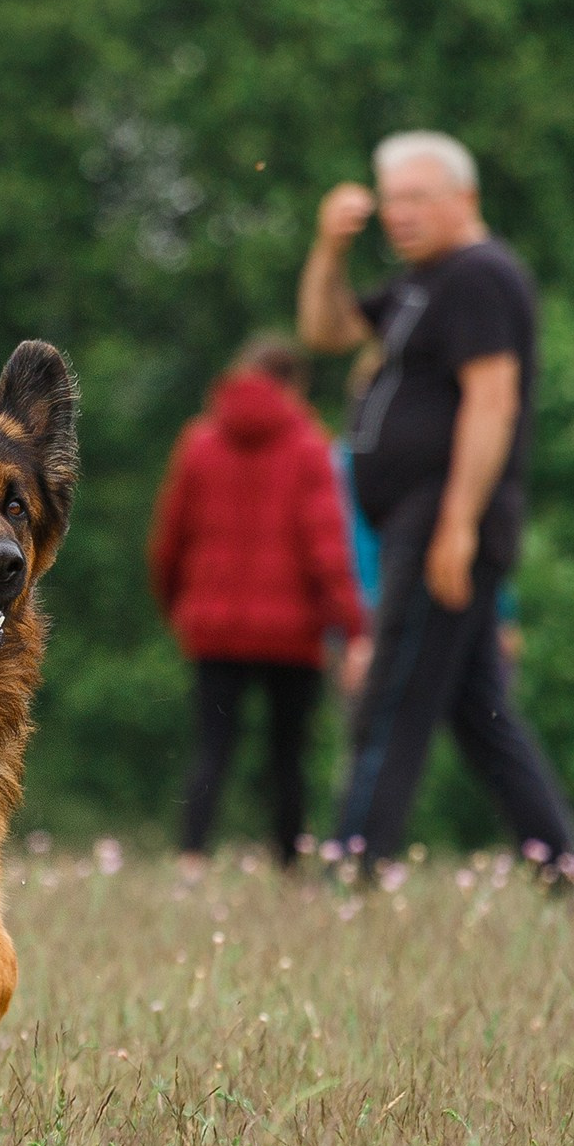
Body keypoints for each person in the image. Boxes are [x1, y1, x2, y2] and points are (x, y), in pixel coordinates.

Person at [296, 131, 574, 868]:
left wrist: (457, 523)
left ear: (466, 199)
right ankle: (563, 862)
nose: (400, 214)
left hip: (440, 519)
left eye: (418, 198)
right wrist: (330, 248)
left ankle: (352, 866)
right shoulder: (422, 280)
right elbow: (326, 330)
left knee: (391, 700)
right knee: (482, 714)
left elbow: (494, 402)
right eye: (391, 200)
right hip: (414, 519)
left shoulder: (480, 276)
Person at [149, 338, 370, 875]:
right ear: (293, 383)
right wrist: (354, 624)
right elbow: (327, 549)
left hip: (214, 628)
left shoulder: (198, 442)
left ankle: (191, 856)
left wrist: (179, 606)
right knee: (287, 754)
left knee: (212, 746)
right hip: (291, 635)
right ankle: (289, 862)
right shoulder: (309, 446)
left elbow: (167, 541)